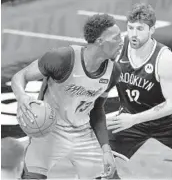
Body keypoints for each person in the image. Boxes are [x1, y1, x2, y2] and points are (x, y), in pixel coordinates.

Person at [11, 14, 122, 179]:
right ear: (100, 41)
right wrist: (22, 96)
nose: (122, 41)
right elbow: (20, 76)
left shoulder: (113, 71)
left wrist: (105, 149)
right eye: (116, 37)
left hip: (84, 133)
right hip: (49, 131)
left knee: (109, 176)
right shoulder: (63, 58)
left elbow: (97, 109)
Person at [107, 3, 172, 178]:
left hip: (170, 123)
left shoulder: (164, 58)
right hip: (130, 121)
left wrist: (133, 119)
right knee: (100, 165)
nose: (133, 33)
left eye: (140, 29)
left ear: (152, 29)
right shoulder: (118, 49)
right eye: (130, 28)